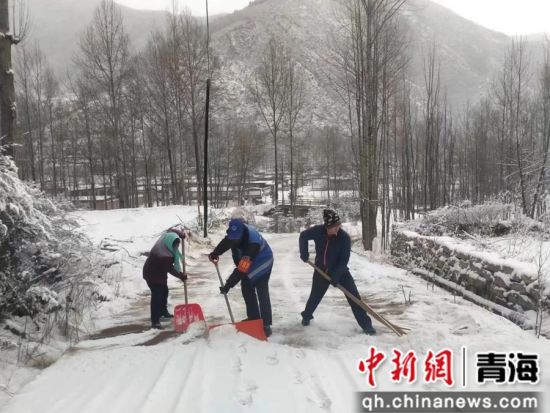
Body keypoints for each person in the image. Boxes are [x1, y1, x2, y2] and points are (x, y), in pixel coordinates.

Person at [298, 209, 376, 335]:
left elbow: (344, 259)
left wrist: (336, 275)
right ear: (326, 226)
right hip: (321, 270)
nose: (336, 229)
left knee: (354, 298)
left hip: (341, 272)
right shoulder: (318, 231)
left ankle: (367, 326)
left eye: (338, 226)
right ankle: (306, 316)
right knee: (315, 296)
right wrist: (304, 253)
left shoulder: (344, 238)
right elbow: (303, 236)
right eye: (333, 227)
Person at [209, 218, 274, 337]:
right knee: (246, 288)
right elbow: (227, 242)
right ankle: (254, 318)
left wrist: (228, 285)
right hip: (248, 260)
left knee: (261, 290)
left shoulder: (252, 243)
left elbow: (242, 269)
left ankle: (266, 324)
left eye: (237, 238)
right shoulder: (235, 233)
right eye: (232, 238)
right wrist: (216, 252)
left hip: (263, 261)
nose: (235, 240)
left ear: (242, 233)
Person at [143, 230, 187, 329]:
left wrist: (180, 234)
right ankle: (155, 321)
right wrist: (181, 276)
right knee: (157, 296)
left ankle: (163, 311)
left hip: (159, 273)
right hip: (152, 275)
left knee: (164, 291)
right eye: (175, 246)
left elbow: (171, 230)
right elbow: (170, 269)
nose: (175, 249)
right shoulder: (164, 255)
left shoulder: (164, 239)